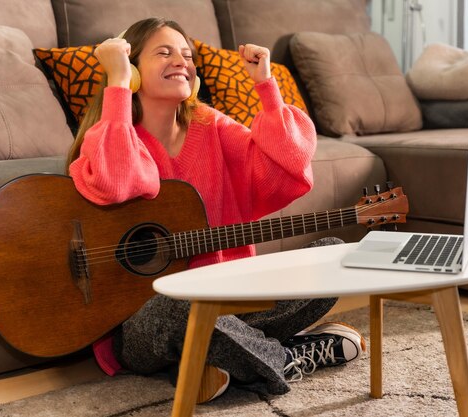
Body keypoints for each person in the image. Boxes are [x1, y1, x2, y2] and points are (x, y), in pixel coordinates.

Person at [67, 17, 365, 403]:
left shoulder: (211, 125)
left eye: (187, 54)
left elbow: (286, 166)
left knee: (330, 253)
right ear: (134, 69)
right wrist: (118, 85)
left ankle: (218, 359)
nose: (181, 61)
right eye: (164, 52)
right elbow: (116, 179)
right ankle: (289, 355)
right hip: (144, 324)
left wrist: (266, 87)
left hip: (229, 301)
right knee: (180, 304)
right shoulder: (111, 134)